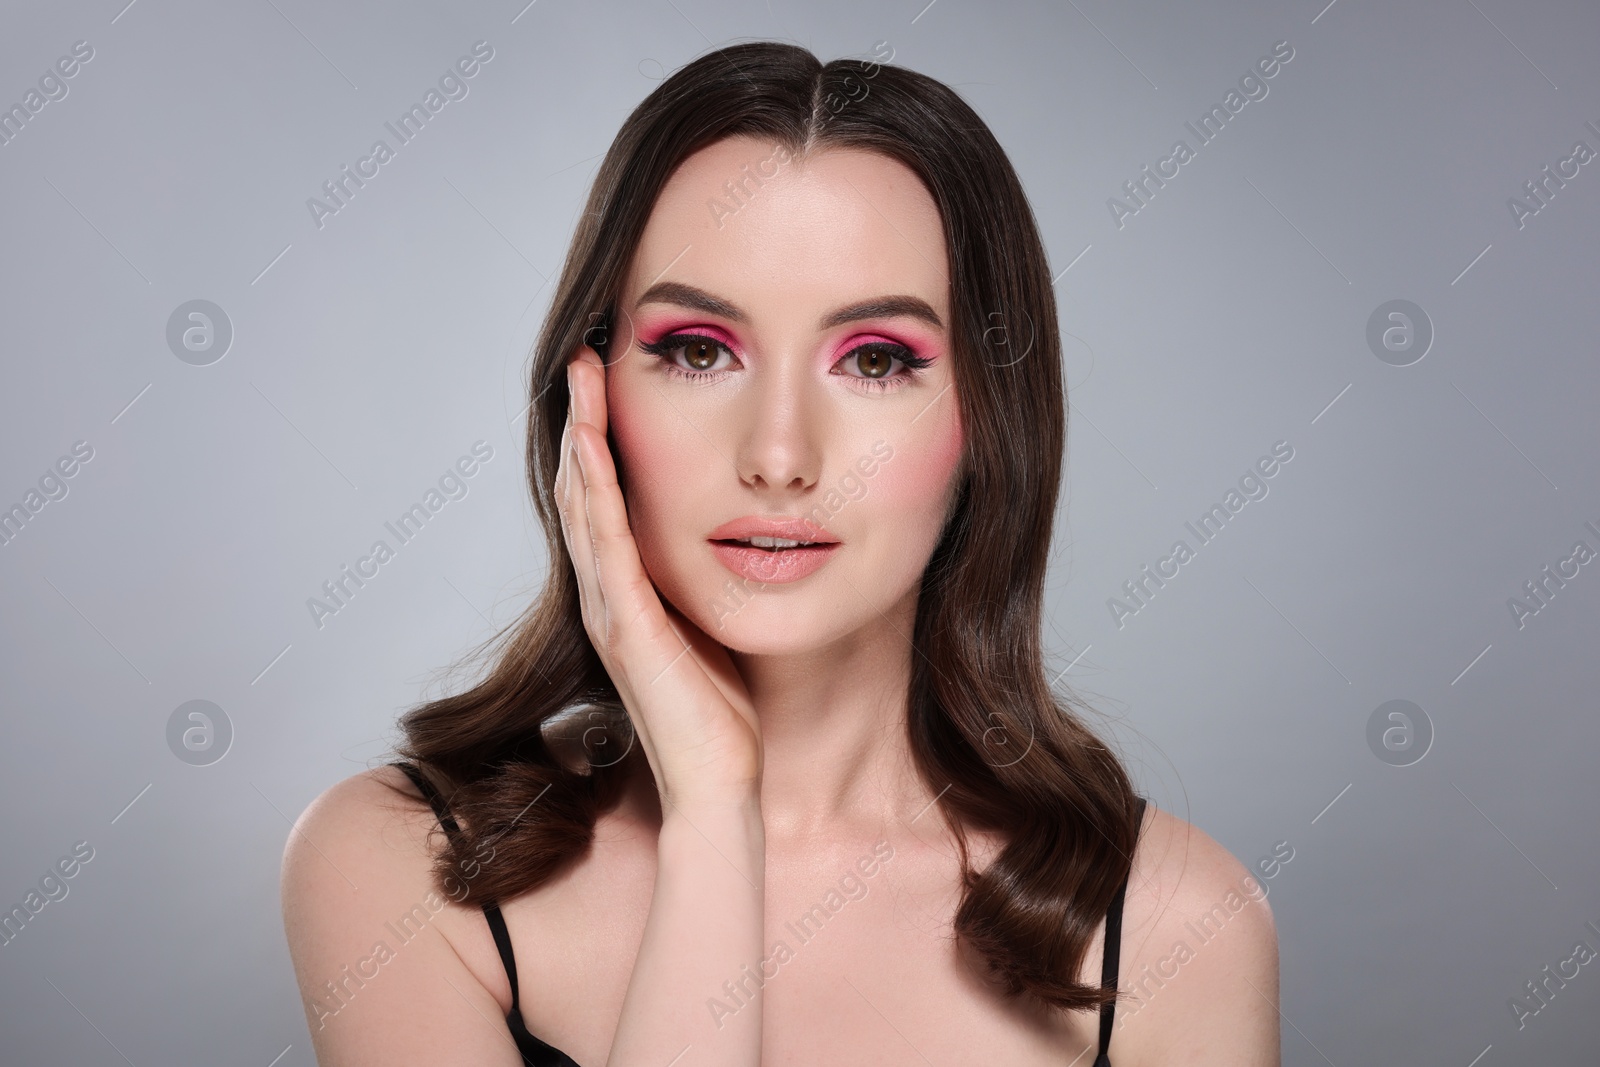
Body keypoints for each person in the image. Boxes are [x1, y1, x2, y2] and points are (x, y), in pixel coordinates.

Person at [280, 40, 1279, 1066]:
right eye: (699, 350)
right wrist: (715, 811)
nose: (779, 456)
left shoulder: (1171, 925)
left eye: (877, 360)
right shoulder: (400, 865)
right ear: (590, 394)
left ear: (988, 420)